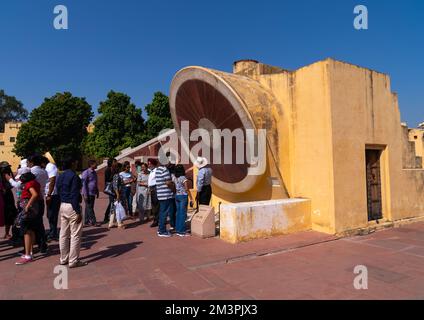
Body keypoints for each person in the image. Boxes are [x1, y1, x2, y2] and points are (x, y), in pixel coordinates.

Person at [57, 157, 87, 268]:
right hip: (72, 205)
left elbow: (58, 190)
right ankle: (73, 260)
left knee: (63, 234)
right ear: (72, 163)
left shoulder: (61, 176)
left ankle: (63, 258)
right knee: (75, 235)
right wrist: (77, 211)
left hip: (63, 204)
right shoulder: (73, 176)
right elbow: (74, 194)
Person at [15, 172, 40, 265]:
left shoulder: (29, 184)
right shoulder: (35, 182)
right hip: (34, 208)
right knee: (31, 230)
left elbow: (34, 194)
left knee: (26, 231)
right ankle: (30, 251)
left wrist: (27, 206)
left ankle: (27, 255)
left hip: (29, 208)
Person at [41, 154, 60, 241]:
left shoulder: (50, 167)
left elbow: (52, 180)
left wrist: (49, 194)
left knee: (52, 214)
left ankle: (53, 233)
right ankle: (53, 231)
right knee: (49, 214)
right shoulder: (47, 167)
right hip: (50, 194)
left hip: (53, 194)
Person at [155, 161, 175, 237]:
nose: (169, 162)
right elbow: (168, 183)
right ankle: (162, 231)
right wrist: (173, 189)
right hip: (166, 194)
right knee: (164, 213)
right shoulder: (164, 170)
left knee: (162, 212)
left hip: (161, 194)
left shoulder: (158, 169)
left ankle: (161, 229)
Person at [174, 165, 194, 236]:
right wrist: (191, 198)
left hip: (177, 195)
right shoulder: (183, 178)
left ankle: (178, 229)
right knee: (183, 214)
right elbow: (186, 188)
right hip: (183, 196)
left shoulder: (175, 177)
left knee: (178, 213)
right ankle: (182, 231)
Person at [0, 161, 18, 240]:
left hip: (7, 197)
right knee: (6, 215)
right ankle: (7, 233)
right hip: (3, 197)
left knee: (9, 215)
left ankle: (7, 233)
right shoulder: (5, 175)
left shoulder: (8, 175)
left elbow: (11, 185)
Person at [81, 160, 99, 227]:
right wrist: (85, 194)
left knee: (88, 207)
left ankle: (86, 221)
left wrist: (97, 191)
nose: (96, 165)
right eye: (95, 164)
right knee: (90, 207)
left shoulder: (94, 172)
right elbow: (84, 184)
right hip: (87, 193)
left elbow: (95, 182)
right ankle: (94, 221)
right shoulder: (86, 173)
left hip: (92, 192)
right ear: (91, 165)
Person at [109, 162, 126, 229]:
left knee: (113, 208)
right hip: (117, 194)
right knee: (119, 208)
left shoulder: (115, 175)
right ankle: (120, 223)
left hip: (116, 194)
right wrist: (118, 195)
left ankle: (111, 223)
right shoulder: (116, 175)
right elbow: (115, 186)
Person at [103, 158, 116, 224]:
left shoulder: (115, 169)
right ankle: (106, 217)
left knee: (114, 202)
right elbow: (107, 179)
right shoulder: (107, 170)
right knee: (111, 202)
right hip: (110, 188)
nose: (115, 163)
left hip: (115, 188)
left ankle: (112, 217)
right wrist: (114, 176)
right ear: (111, 162)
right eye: (114, 162)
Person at [147, 158, 159, 228]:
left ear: (153, 164)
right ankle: (156, 219)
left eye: (150, 164)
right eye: (148, 164)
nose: (148, 165)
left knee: (156, 205)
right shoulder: (151, 171)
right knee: (153, 205)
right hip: (151, 188)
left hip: (155, 188)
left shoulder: (156, 171)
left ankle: (156, 220)